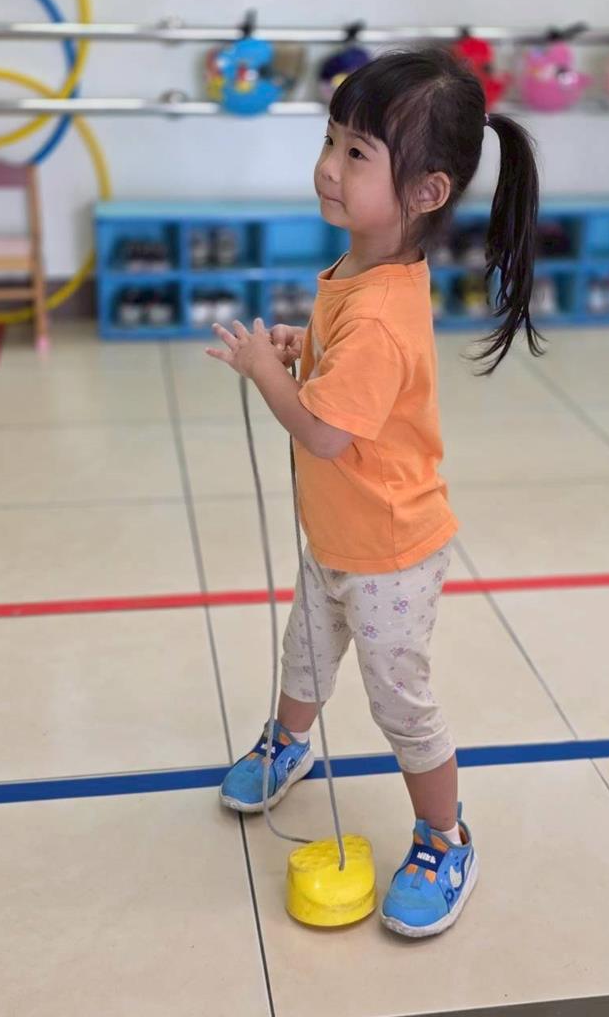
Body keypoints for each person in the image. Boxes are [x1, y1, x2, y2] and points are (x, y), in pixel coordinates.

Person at [206, 47, 544, 938]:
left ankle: (444, 839)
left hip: (389, 551)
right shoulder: (359, 270)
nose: (329, 165)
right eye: (331, 139)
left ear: (426, 192)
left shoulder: (382, 315)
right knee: (305, 655)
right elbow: (343, 380)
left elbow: (323, 431)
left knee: (401, 705)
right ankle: (288, 743)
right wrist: (304, 350)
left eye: (358, 153)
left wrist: (263, 371)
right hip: (339, 533)